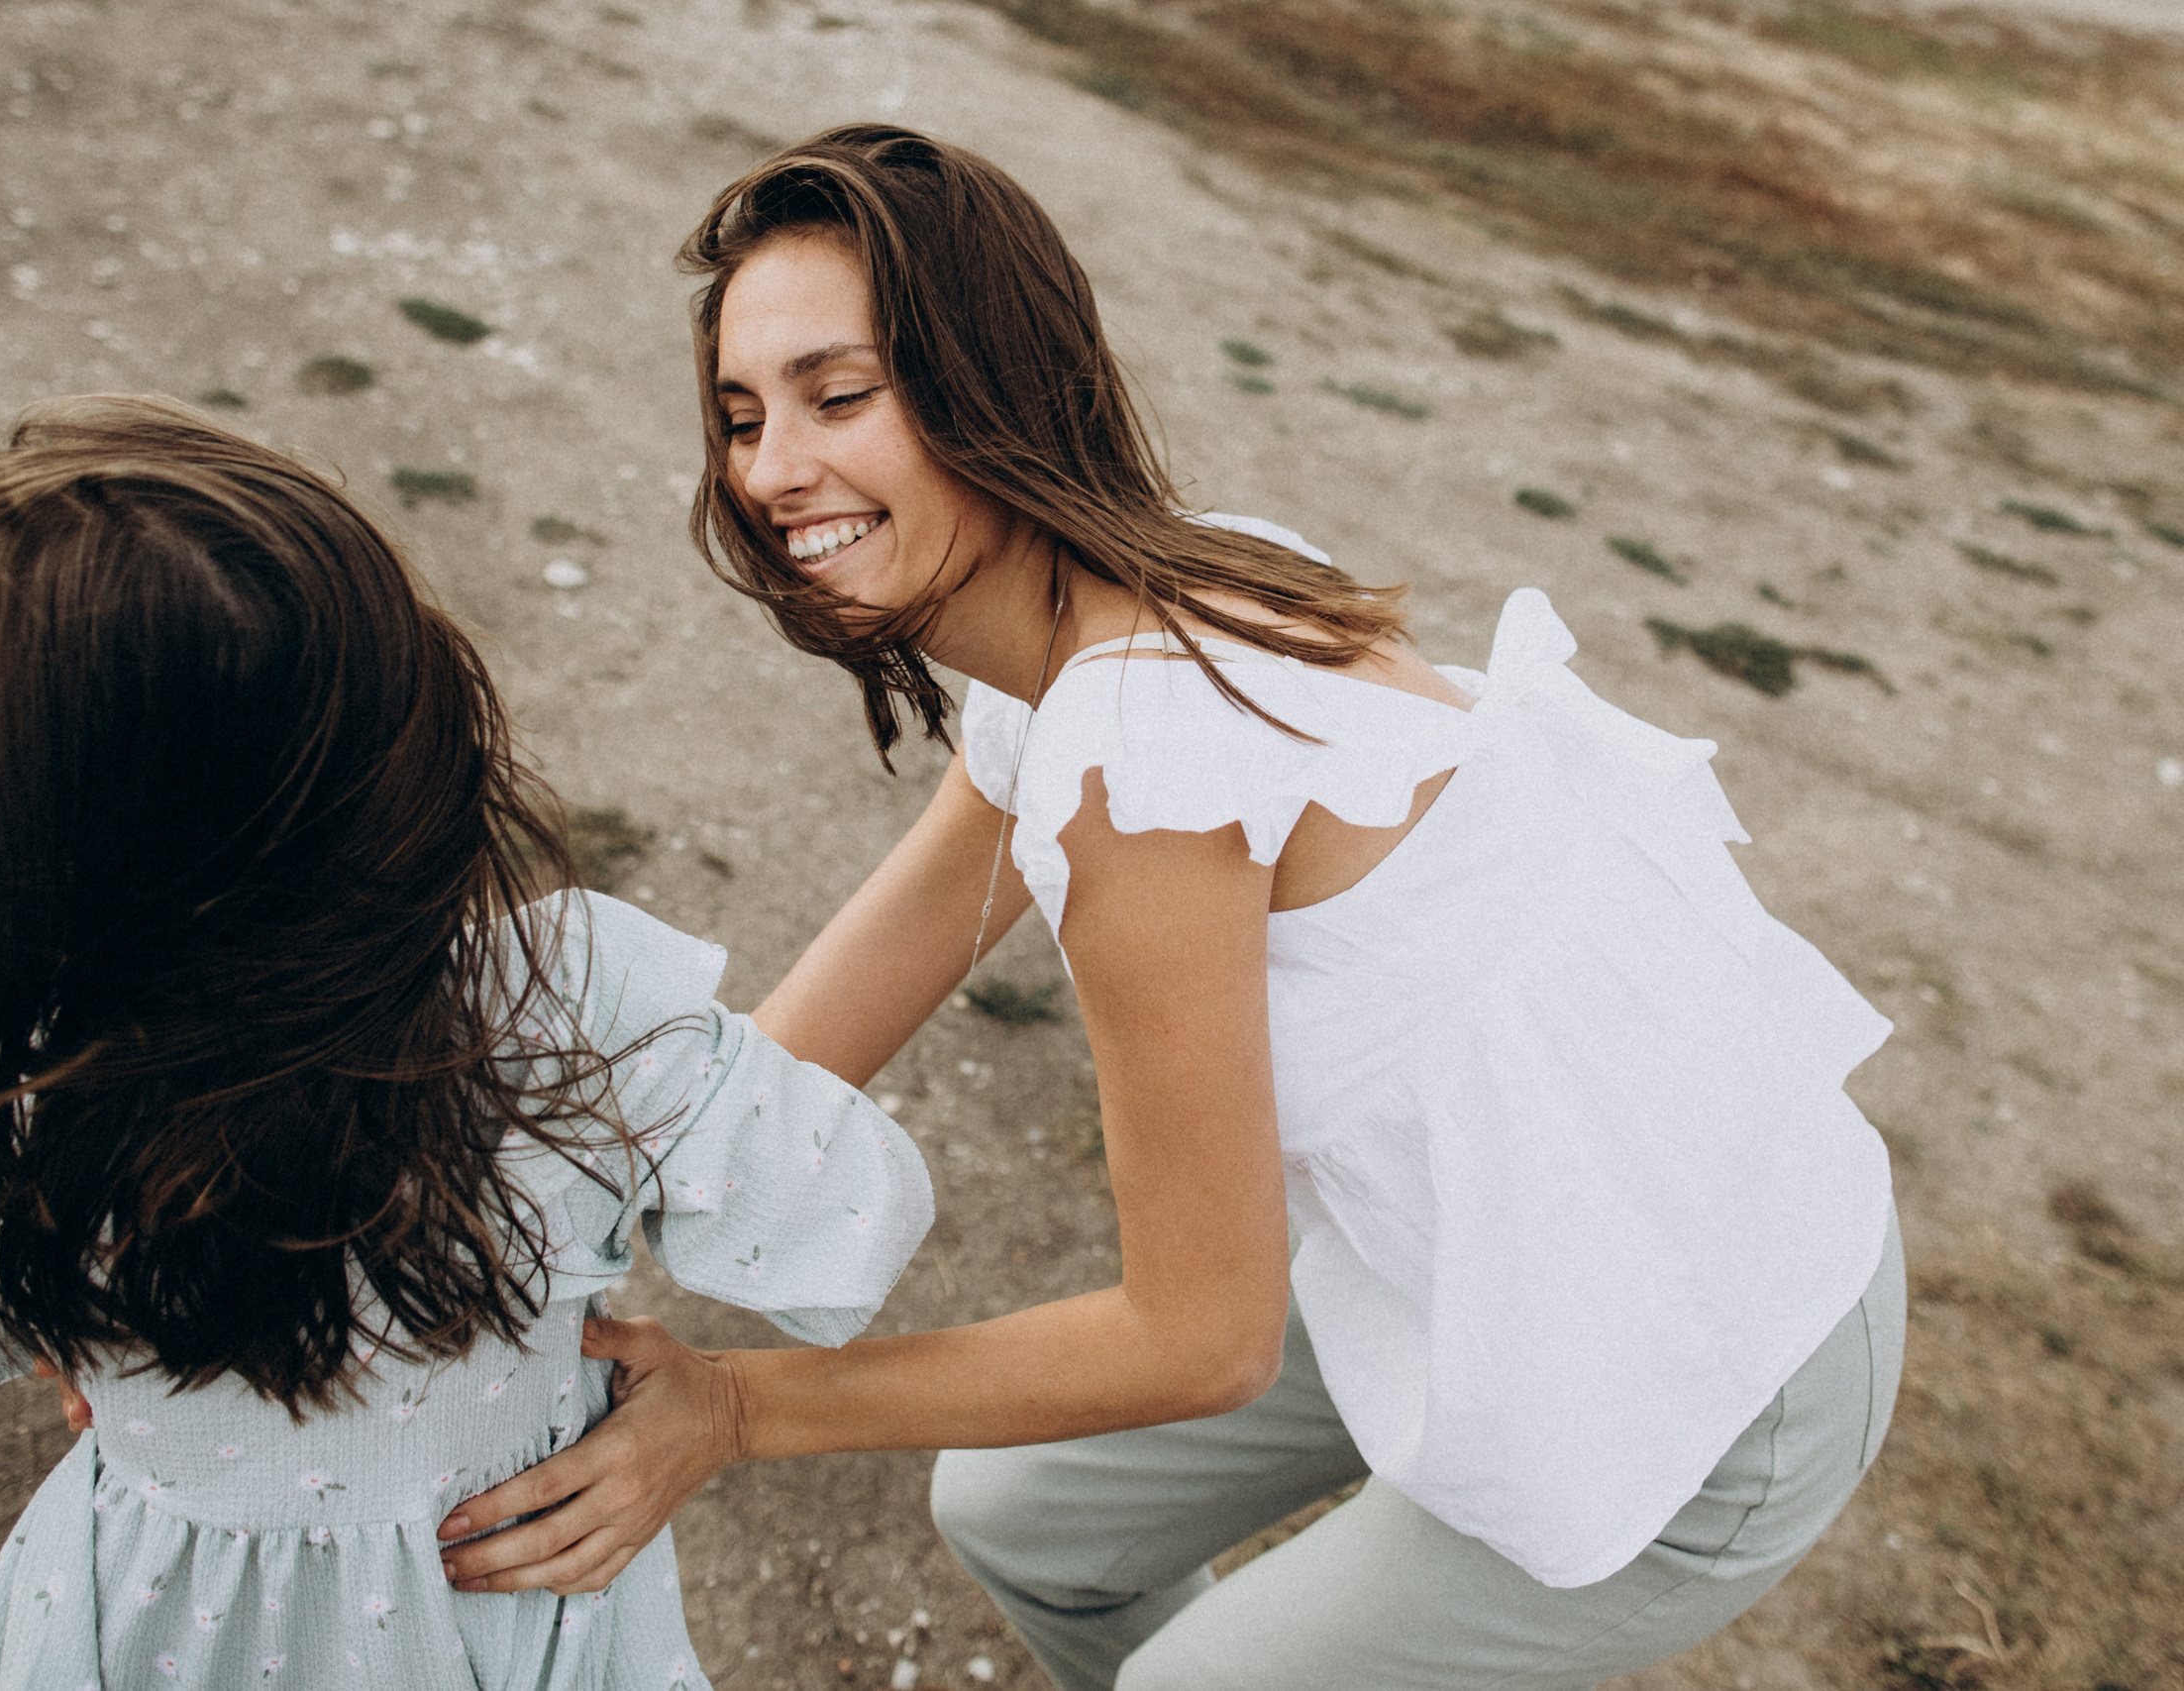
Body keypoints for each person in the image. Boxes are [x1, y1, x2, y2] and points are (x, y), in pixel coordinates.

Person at [433, 127, 1905, 1690]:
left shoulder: (1145, 747)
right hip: (1497, 1235)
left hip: (1708, 1339)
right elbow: (786, 1069)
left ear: (992, 382)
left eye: (837, 395)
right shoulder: (1118, 617)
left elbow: (1201, 1340)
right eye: (742, 415)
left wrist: (734, 1409)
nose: (771, 469)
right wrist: (488, 1215)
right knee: (1020, 1517)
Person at [0, 396, 932, 1691]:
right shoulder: (580, 1009)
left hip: (145, 1632)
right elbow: (856, 1215)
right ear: (415, 730)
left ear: (16, 817)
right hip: (513, 1615)